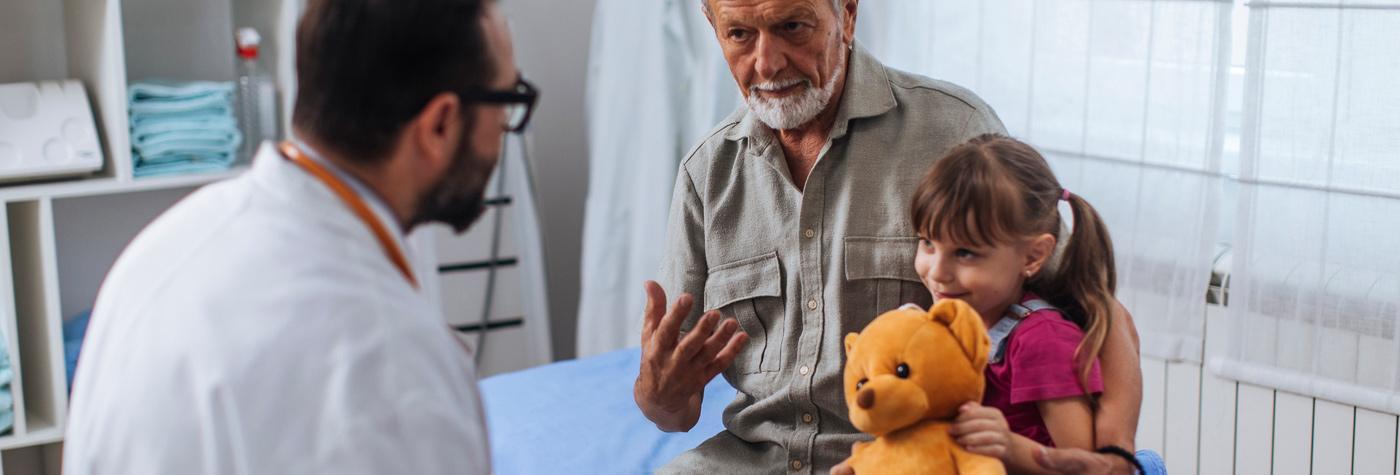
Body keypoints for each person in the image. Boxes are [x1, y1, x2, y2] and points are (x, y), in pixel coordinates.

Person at [634, 0, 1145, 473]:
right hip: (750, 459)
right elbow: (673, 411)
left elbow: (1094, 314)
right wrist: (658, 395)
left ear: (847, 13)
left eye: (792, 26)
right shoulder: (707, 173)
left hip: (914, 458)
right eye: (740, 34)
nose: (766, 63)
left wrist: (1117, 457)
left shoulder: (956, 129)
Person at [63, 0, 535, 472]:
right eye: (507, 103)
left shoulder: (162, 247)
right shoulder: (393, 368)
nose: (502, 132)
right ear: (440, 124)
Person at [913, 134, 1119, 472]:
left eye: (965, 253)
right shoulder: (952, 324)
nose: (937, 272)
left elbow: (1083, 465)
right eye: (928, 243)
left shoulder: (1041, 341)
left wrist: (1008, 445)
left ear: (1034, 256)